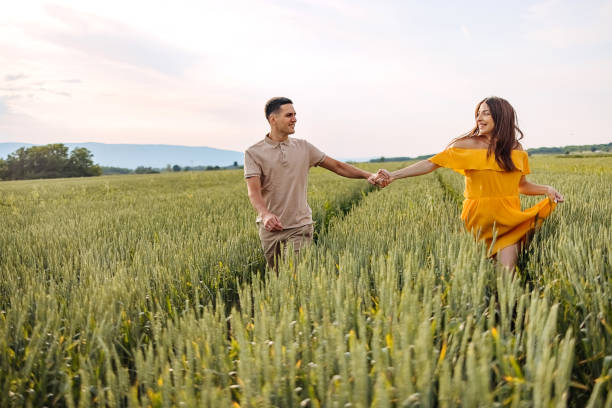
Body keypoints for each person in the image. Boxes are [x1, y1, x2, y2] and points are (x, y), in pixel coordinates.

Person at [370, 96, 564, 271]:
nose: (479, 118)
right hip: (478, 220)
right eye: (478, 114)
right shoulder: (466, 144)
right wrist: (394, 175)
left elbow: (521, 185)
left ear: (502, 116)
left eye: (486, 113)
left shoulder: (515, 148)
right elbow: (431, 163)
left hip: (509, 220)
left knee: (507, 276)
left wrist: (546, 189)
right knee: (477, 277)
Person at [245, 97, 381, 269]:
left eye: (295, 114)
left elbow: (337, 166)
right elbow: (254, 191)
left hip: (300, 226)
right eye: (289, 115)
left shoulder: (304, 147)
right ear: (273, 119)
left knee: (295, 275)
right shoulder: (253, 153)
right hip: (270, 230)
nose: (294, 119)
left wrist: (368, 175)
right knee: (279, 280)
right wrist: (265, 214)